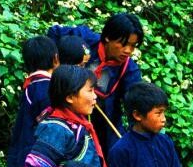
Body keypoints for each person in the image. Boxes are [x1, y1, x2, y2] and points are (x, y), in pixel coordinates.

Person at [48, 13, 144, 150]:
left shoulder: (129, 70)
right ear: (107, 37)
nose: (128, 50)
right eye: (122, 44)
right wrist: (54, 70)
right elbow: (54, 33)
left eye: (133, 46)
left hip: (103, 125)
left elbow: (135, 103)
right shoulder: (84, 39)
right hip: (65, 111)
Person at [24, 64, 108, 167]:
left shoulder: (78, 125)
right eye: (90, 90)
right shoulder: (56, 129)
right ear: (70, 97)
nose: (95, 96)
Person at [107, 81, 190, 167]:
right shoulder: (120, 151)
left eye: (164, 112)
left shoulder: (165, 142)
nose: (163, 119)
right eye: (158, 113)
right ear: (137, 115)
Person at [6, 35, 57, 167]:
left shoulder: (32, 86)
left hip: (27, 155)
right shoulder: (47, 88)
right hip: (40, 159)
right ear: (55, 59)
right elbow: (49, 126)